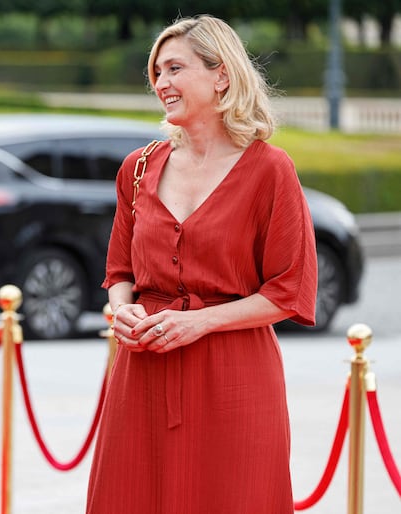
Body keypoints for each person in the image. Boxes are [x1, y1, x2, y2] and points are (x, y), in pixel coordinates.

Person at [86, 15, 317, 514]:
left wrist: (201, 321)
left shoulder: (271, 170)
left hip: (234, 379)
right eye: (156, 73)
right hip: (142, 374)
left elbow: (288, 290)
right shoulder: (139, 167)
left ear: (221, 75)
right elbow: (119, 271)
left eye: (174, 69)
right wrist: (121, 310)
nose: (161, 84)